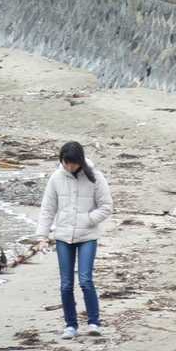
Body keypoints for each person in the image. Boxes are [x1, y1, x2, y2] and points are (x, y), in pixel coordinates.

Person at [37, 140, 113, 340]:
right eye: (66, 163)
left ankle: (94, 322)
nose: (69, 167)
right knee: (66, 284)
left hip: (87, 236)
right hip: (63, 236)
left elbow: (106, 206)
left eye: (73, 163)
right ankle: (70, 325)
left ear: (80, 160)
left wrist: (88, 219)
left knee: (86, 280)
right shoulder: (56, 178)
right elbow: (47, 209)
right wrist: (42, 237)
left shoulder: (95, 177)